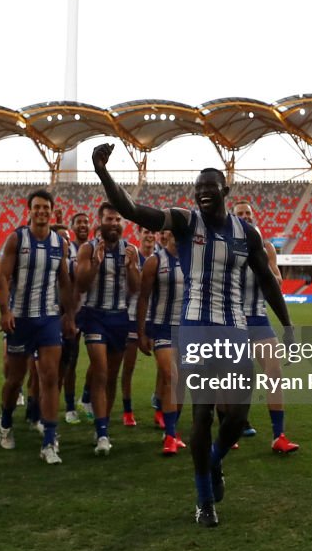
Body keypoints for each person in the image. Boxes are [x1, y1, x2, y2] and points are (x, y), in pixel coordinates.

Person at [92, 143, 292, 527]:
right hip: (196, 328)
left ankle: (213, 462)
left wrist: (286, 322)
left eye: (210, 187)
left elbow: (266, 280)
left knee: (236, 418)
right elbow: (135, 211)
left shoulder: (246, 234)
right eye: (198, 187)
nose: (202, 192)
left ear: (224, 192)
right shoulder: (185, 222)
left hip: (235, 329)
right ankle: (204, 500)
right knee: (202, 415)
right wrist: (104, 172)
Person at [0, 190, 76, 464]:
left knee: (50, 378)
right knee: (15, 378)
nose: (42, 212)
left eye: (46, 208)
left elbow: (64, 281)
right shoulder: (17, 239)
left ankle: (49, 440)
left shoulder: (59, 243)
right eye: (37, 207)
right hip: (21, 319)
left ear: (52, 211)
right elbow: (3, 277)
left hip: (48, 319)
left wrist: (68, 316)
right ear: (29, 210)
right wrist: (5, 311)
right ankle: (5, 421)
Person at [234, 200, 299, 454]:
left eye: (248, 213)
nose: (245, 217)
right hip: (233, 319)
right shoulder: (226, 247)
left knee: (274, 372)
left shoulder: (266, 247)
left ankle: (278, 435)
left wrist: (271, 274)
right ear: (233, 217)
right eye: (240, 214)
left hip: (259, 317)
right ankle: (234, 425)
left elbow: (277, 278)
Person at [75, 202, 140, 455]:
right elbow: (80, 284)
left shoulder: (130, 250)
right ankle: (102, 434)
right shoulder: (87, 249)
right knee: (101, 372)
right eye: (109, 219)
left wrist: (132, 267)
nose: (114, 223)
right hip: (95, 316)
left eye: (117, 220)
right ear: (100, 222)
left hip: (120, 317)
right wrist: (95, 263)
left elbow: (135, 288)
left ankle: (102, 425)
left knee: (111, 376)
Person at [136, 229, 187, 455]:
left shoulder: (194, 262)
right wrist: (142, 332)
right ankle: (169, 437)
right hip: (162, 327)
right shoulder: (155, 261)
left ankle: (173, 430)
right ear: (168, 236)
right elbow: (143, 297)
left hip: (188, 329)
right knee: (170, 377)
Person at [121, 225, 157, 426]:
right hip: (133, 317)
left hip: (156, 318)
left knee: (165, 366)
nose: (149, 235)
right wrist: (130, 267)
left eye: (152, 232)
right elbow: (132, 288)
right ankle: (127, 410)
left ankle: (159, 403)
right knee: (129, 366)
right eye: (146, 231)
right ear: (139, 234)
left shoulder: (160, 257)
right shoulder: (132, 256)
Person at [60, 212, 90, 423]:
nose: (83, 225)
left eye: (86, 222)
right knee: (70, 360)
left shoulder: (92, 248)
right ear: (72, 226)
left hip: (93, 309)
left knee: (100, 359)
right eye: (78, 222)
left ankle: (86, 397)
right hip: (72, 310)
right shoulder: (67, 249)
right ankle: (70, 406)